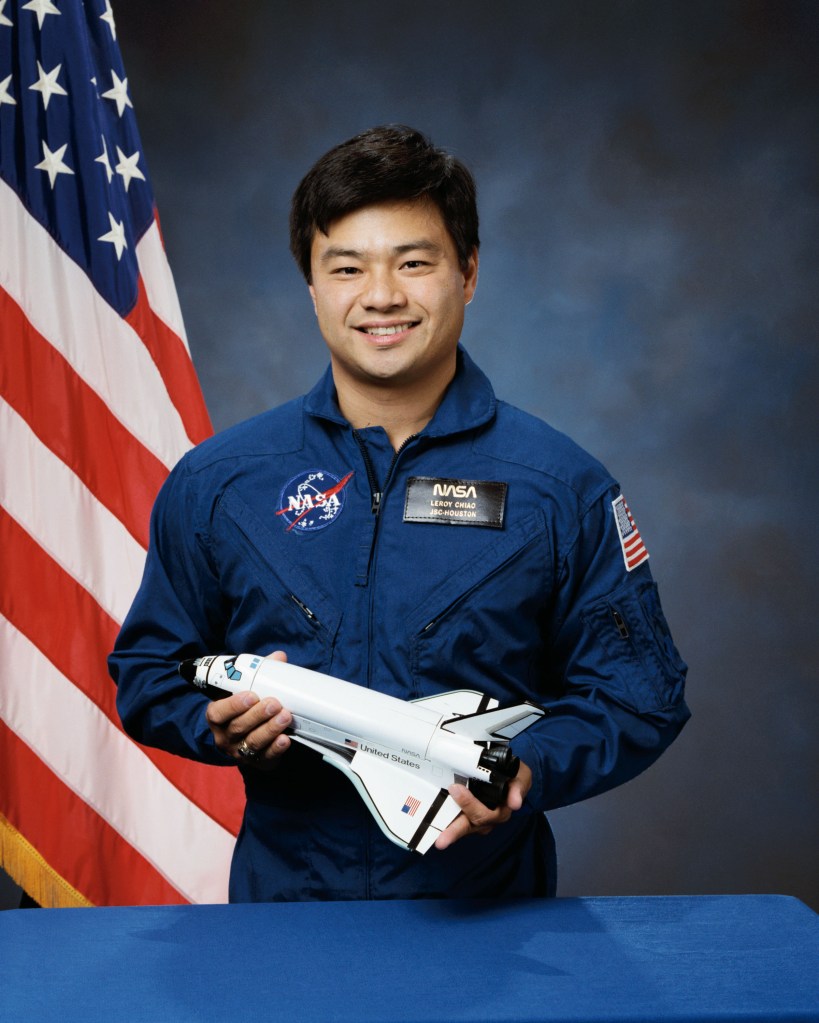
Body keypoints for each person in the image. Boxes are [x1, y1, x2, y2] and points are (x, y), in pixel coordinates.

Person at [110, 125, 690, 902]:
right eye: (346, 267)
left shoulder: (560, 486)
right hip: (286, 919)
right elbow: (150, 673)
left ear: (469, 273)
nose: (380, 295)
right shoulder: (220, 482)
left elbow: (636, 695)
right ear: (311, 286)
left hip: (491, 918)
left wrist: (526, 767)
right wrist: (214, 727)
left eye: (413, 262)